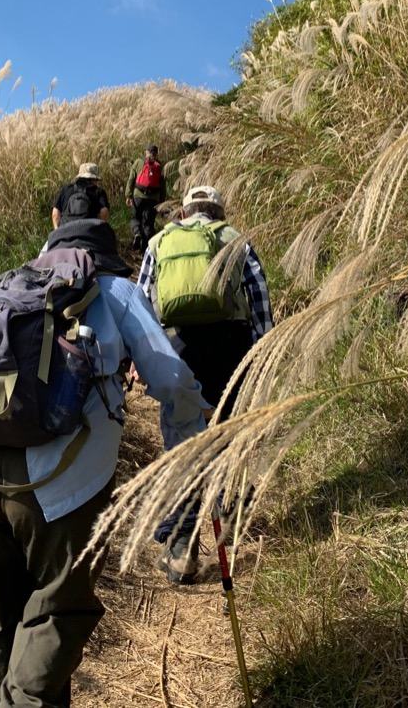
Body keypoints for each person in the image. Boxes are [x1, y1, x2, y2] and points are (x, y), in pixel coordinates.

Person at [0, 219, 207, 708]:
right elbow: (171, 378)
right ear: (105, 257)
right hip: (57, 485)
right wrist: (193, 439)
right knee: (56, 614)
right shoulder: (115, 290)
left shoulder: (7, 284)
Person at [136, 185, 274, 584]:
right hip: (231, 347)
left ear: (183, 212)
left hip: (178, 349)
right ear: (218, 212)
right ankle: (229, 512)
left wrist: (146, 363)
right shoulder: (235, 240)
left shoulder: (160, 242)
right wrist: (261, 354)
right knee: (229, 433)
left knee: (183, 445)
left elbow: (144, 304)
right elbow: (259, 298)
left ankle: (181, 551)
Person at [125, 144, 166, 250]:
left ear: (145, 152)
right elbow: (163, 186)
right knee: (149, 224)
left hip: (138, 196)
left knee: (135, 217)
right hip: (153, 199)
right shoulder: (160, 166)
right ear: (156, 154)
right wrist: (162, 202)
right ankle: (145, 250)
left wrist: (128, 195)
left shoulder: (138, 162)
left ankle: (137, 232)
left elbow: (131, 180)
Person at [51, 162, 110, 228]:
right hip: (89, 230)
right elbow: (104, 212)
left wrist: (58, 231)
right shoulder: (98, 191)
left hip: (65, 230)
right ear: (94, 179)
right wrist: (99, 229)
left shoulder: (66, 189)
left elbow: (55, 214)